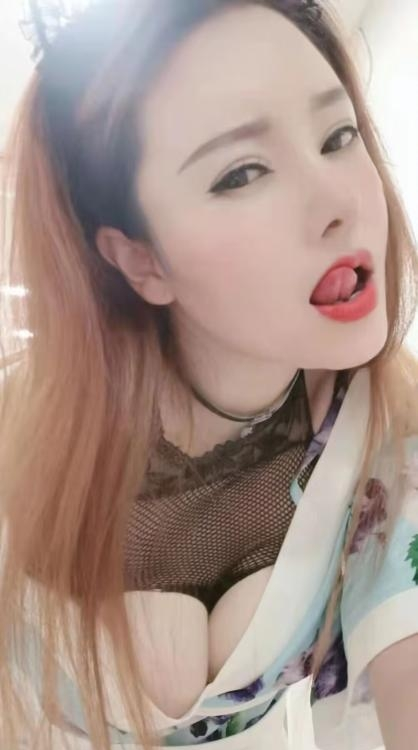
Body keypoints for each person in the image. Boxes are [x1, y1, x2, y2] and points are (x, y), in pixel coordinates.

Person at [1, 0, 418, 747]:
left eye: (338, 135)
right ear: (141, 260)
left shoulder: (389, 427)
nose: (338, 203)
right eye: (242, 173)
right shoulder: (20, 437)